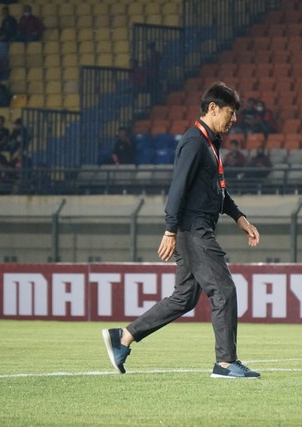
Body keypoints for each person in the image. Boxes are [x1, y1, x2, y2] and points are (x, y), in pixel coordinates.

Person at [101, 82, 261, 379]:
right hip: (193, 229)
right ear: (213, 108)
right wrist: (170, 229)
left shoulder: (210, 143)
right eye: (231, 112)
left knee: (184, 297)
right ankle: (225, 363)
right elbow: (178, 187)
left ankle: (123, 337)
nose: (234, 119)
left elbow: (217, 193)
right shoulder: (194, 141)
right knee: (223, 289)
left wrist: (241, 219)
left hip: (194, 227)